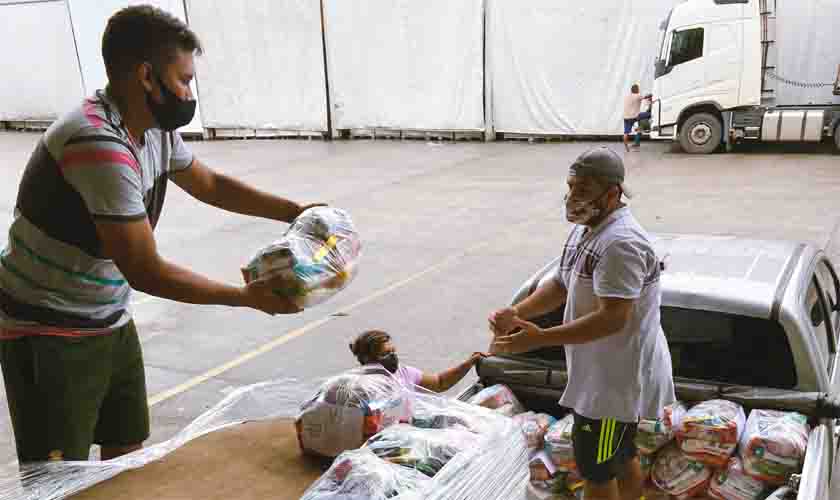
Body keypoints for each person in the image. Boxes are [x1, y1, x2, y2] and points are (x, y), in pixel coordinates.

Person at [0, 5, 320, 465]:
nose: (189, 92)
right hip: (48, 327)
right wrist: (245, 297)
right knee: (58, 474)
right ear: (146, 76)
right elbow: (145, 270)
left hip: (106, 314)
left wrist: (293, 210)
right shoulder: (98, 144)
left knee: (127, 452)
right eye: (184, 80)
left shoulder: (152, 129)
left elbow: (207, 183)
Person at [488, 147, 675, 500]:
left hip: (615, 387)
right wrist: (518, 313)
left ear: (613, 192)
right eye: (571, 186)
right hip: (600, 377)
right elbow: (561, 283)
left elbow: (613, 319)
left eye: (584, 189)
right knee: (619, 455)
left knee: (597, 469)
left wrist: (541, 338)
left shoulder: (621, 243)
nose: (573, 197)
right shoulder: (587, 230)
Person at [349, 330, 485, 393]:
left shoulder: (403, 373)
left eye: (393, 352)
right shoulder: (360, 388)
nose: (392, 357)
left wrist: (468, 364)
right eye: (385, 354)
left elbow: (439, 383)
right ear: (368, 359)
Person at [622, 84, 653, 151]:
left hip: (626, 117)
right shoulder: (637, 95)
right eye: (638, 89)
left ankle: (627, 146)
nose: (639, 90)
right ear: (636, 90)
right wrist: (652, 95)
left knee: (626, 133)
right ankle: (645, 127)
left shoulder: (627, 96)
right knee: (651, 114)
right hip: (635, 116)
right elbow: (646, 96)